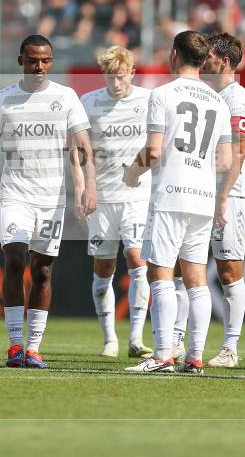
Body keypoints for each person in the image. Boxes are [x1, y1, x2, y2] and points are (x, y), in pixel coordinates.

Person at [0, 35, 97, 369]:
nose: (38, 67)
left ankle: (34, 347)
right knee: (14, 258)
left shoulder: (66, 97)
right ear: (20, 61)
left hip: (52, 198)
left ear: (51, 62)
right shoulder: (2, 100)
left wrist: (90, 186)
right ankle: (14, 345)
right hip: (15, 195)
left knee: (42, 271)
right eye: (32, 60)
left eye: (44, 61)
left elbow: (83, 145)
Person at [123, 31, 232, 375]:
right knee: (197, 278)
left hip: (170, 194)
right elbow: (226, 160)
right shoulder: (219, 100)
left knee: (161, 273)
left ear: (174, 55)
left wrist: (132, 172)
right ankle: (195, 358)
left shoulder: (162, 94)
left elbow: (154, 150)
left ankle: (162, 355)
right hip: (203, 197)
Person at [79, 46, 152, 359]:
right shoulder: (90, 102)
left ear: (132, 73)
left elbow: (157, 144)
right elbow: (81, 152)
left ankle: (136, 338)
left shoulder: (148, 101)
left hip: (137, 195)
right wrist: (85, 188)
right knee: (104, 267)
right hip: (103, 198)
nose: (116, 83)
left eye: (121, 77)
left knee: (137, 259)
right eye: (110, 77)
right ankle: (110, 338)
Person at [201, 33, 245, 369]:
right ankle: (177, 342)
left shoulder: (237, 98)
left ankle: (230, 349)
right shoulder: (211, 95)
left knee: (229, 271)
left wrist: (223, 195)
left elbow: (238, 149)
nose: (204, 62)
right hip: (204, 192)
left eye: (208, 57)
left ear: (225, 61)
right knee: (184, 268)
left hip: (231, 195)